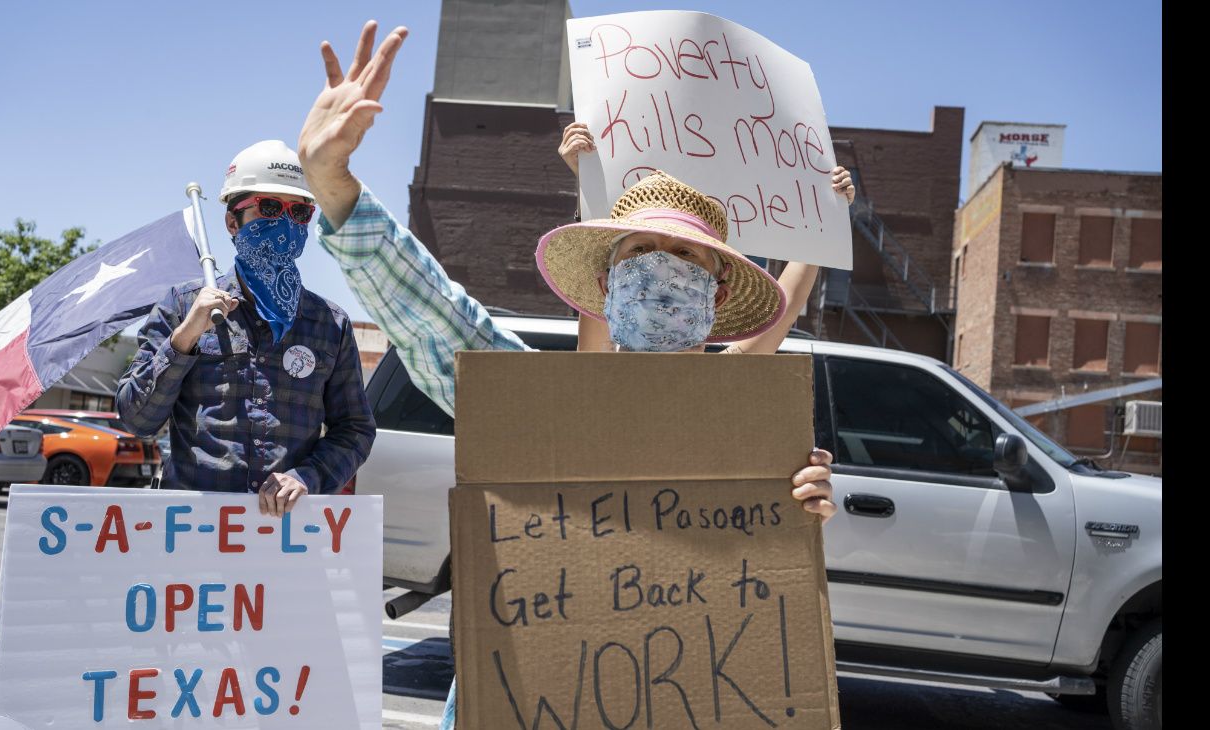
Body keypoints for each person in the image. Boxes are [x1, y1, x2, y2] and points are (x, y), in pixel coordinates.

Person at [297, 21, 848, 727]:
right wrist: (332, 183)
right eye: (638, 251)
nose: (658, 268)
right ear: (608, 287)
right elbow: (434, 316)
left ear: (717, 294)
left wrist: (798, 502)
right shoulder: (538, 406)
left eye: (683, 257)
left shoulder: (748, 420)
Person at [116, 140, 376, 518]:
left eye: (300, 212)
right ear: (232, 222)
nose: (285, 223)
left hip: (283, 539)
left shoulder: (329, 324)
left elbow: (354, 429)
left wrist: (308, 476)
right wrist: (183, 340)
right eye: (269, 208)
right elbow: (136, 419)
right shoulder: (183, 306)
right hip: (191, 534)